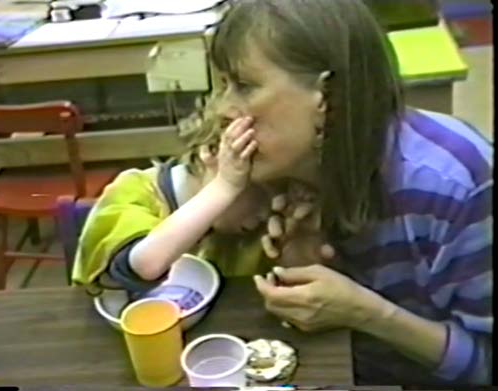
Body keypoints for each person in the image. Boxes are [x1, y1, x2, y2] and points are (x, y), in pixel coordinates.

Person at [205, 0, 491, 386]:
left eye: (244, 86)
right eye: (223, 85)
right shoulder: (281, 171)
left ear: (328, 97)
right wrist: (304, 269)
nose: (224, 109)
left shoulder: (458, 185)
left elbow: (486, 364)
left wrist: (365, 313)